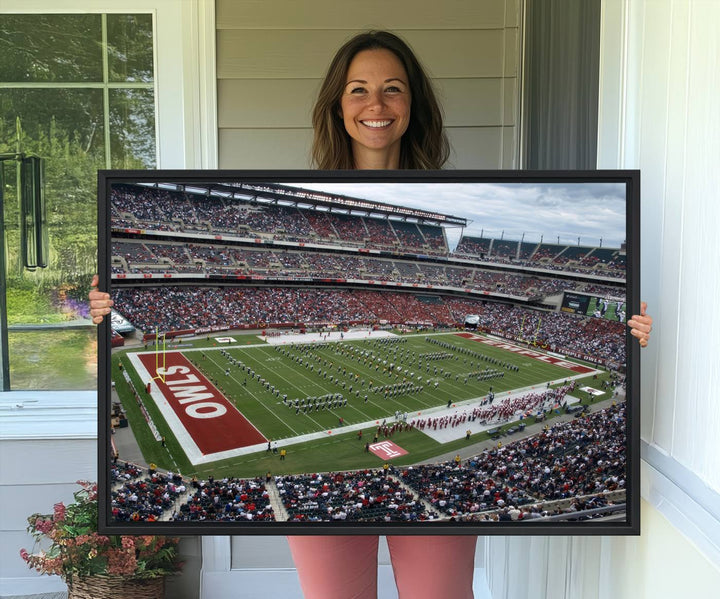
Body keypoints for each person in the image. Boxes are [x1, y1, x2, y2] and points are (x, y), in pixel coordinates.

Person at [88, 29, 653, 599]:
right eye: (358, 89)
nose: (375, 104)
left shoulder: (443, 205)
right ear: (337, 105)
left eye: (393, 89)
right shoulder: (298, 187)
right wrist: (102, 308)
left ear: (414, 105)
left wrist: (627, 333)